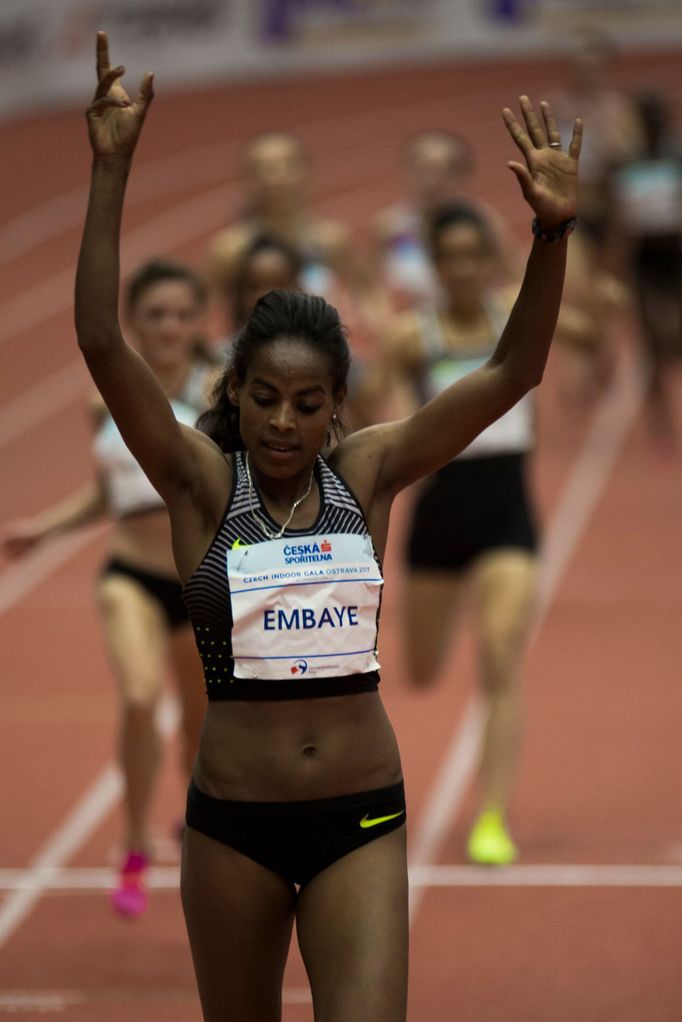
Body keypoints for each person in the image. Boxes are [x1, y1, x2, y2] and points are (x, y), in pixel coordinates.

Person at [77, 32, 580, 1021]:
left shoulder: (370, 468)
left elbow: (512, 372)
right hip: (232, 825)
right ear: (238, 391)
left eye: (307, 403)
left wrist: (551, 235)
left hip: (358, 815)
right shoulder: (193, 480)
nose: (281, 422)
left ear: (336, 405)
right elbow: (100, 340)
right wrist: (110, 170)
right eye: (263, 397)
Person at [381, 200, 597, 865]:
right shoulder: (413, 337)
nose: (465, 268)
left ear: (490, 259)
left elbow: (584, 331)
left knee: (502, 650)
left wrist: (601, 310)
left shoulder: (515, 319)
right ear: (436, 267)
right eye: (452, 258)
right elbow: (389, 419)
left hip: (508, 512)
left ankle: (491, 816)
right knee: (419, 671)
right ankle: (442, 629)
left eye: (476, 255)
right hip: (440, 517)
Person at [2, 256, 216, 918]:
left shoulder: (220, 395)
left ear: (199, 320)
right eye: (155, 315)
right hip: (130, 573)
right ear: (133, 323)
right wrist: (47, 527)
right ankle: (131, 842)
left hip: (199, 580)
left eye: (183, 314)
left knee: (200, 728)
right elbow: (110, 491)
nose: (170, 326)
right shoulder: (108, 399)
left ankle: (202, 836)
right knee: (138, 695)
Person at [608, 86, 682, 449]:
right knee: (651, 343)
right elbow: (617, 218)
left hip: (677, 259)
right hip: (645, 265)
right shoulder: (624, 164)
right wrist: (615, 265)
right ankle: (661, 421)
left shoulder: (676, 157)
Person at [373, 128, 517, 309]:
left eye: (441, 170)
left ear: (462, 174)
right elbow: (372, 288)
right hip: (416, 330)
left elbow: (518, 280)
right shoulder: (389, 226)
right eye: (421, 169)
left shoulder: (485, 223)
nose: (430, 180)